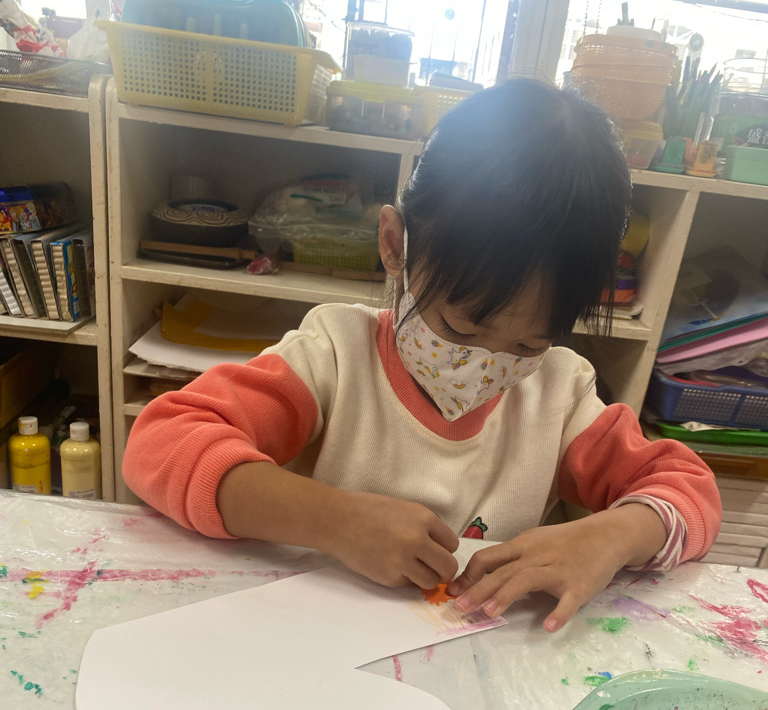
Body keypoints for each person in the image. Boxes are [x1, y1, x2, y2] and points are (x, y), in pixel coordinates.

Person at [123, 78, 721, 631]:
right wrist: (332, 519)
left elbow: (688, 488)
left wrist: (607, 538)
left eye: (527, 344)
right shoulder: (335, 357)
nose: (486, 365)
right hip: (319, 643)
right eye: (460, 328)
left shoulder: (559, 397)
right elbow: (160, 442)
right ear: (395, 246)